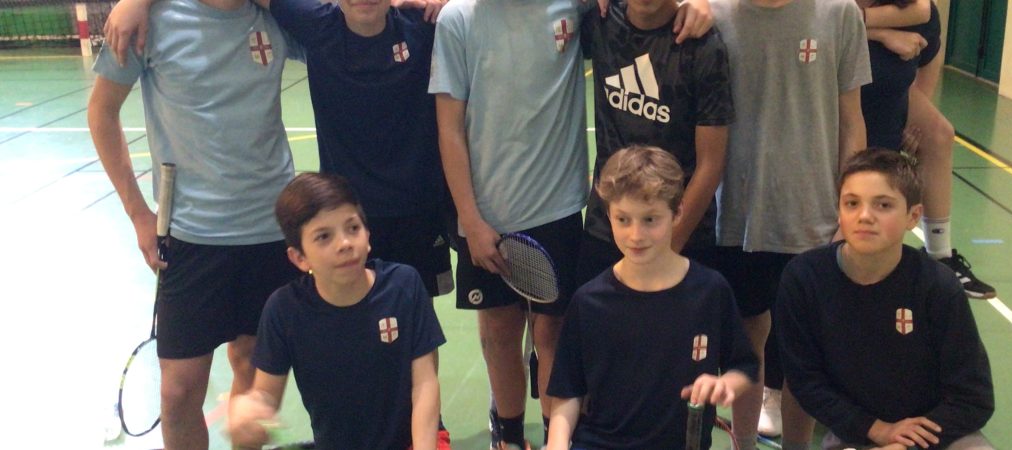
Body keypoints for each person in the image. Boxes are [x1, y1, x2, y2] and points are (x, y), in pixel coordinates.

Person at [429, 1, 714, 447]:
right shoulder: (458, 19)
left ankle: (553, 437)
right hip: (486, 214)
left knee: (552, 333)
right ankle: (507, 435)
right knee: (500, 332)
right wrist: (470, 218)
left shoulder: (574, 6)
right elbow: (449, 128)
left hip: (557, 208)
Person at [87, 0, 301, 446]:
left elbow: (353, 19)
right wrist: (138, 213)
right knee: (178, 393)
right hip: (191, 238)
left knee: (254, 373)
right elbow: (102, 112)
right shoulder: (150, 22)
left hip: (270, 232)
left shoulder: (280, 15)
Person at [710, 0, 871, 447]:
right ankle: (743, 442)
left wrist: (849, 210)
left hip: (813, 220)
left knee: (805, 358)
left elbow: (852, 121)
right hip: (736, 218)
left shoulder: (840, 14)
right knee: (746, 345)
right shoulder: (713, 14)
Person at [775, 149, 995, 450]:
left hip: (935, 434)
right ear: (839, 211)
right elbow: (806, 382)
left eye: (883, 205)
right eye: (852, 203)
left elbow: (974, 398)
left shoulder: (938, 287)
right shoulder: (805, 278)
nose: (865, 216)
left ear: (913, 216)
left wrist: (904, 444)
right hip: (856, 433)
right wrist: (876, 430)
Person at [546, 145, 758, 450]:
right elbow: (568, 391)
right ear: (608, 215)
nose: (635, 235)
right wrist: (556, 443)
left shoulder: (710, 292)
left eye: (650, 219)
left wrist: (725, 384)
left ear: (677, 212)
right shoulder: (588, 302)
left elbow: (744, 366)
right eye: (623, 219)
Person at [227, 173, 444, 449]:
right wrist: (249, 420)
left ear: (368, 235)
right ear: (299, 257)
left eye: (353, 228)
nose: (345, 244)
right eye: (324, 237)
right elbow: (265, 398)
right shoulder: (284, 310)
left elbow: (424, 384)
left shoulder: (404, 285)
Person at [575, 0, 732, 286]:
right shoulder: (600, 23)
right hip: (607, 233)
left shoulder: (703, 46)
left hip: (684, 239)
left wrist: (667, 250)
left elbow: (711, 164)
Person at [858, 0, 996, 299]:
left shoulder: (919, 13)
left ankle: (940, 254)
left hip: (884, 93)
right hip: (830, 93)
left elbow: (926, 66)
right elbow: (823, 23)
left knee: (938, 134)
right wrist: (881, 33)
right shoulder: (826, 7)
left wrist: (909, 125)